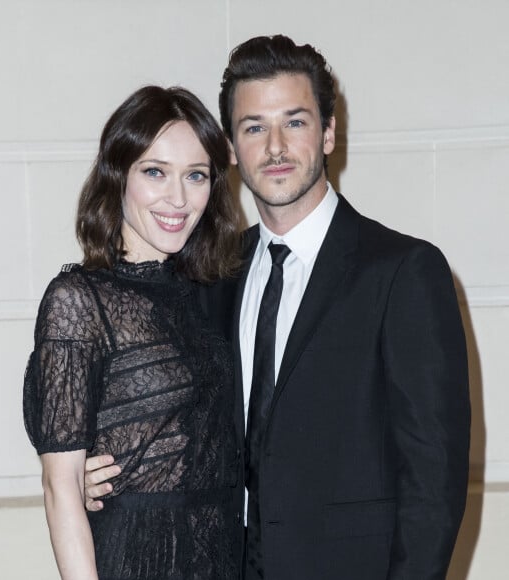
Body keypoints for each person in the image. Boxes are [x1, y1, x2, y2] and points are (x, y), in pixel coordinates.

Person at [84, 35, 471, 580]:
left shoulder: (404, 272)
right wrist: (93, 475)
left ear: (329, 132)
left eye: (295, 122)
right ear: (230, 150)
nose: (275, 147)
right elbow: (172, 427)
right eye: (254, 127)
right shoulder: (209, 275)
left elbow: (433, 478)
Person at [23, 85, 243, 580]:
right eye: (155, 172)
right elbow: (61, 490)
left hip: (220, 552)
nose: (179, 198)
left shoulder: (205, 292)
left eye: (196, 176)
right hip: (137, 558)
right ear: (118, 175)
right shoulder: (79, 300)